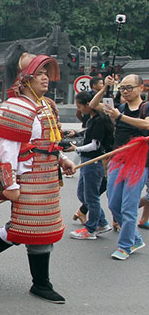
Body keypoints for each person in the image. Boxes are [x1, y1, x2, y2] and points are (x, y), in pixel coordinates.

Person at [0, 46, 76, 303]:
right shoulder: (16, 107)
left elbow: (51, 140)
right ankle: (41, 283)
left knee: (28, 228)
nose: (45, 77)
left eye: (47, 73)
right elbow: (6, 149)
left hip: (48, 178)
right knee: (33, 228)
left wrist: (63, 159)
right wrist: (9, 184)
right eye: (39, 73)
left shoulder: (47, 105)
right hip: (28, 178)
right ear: (26, 78)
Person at [97, 74, 149, 260]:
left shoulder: (145, 107)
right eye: (123, 88)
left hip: (138, 164)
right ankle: (135, 238)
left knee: (129, 206)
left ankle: (125, 245)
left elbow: (147, 124)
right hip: (117, 160)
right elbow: (95, 106)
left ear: (141, 88)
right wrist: (105, 88)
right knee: (113, 202)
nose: (125, 92)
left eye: (129, 88)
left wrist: (121, 117)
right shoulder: (119, 107)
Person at [67, 91, 113, 240]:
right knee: (82, 194)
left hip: (94, 162)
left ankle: (91, 228)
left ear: (89, 105)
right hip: (86, 161)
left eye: (80, 106)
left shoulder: (100, 120)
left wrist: (76, 149)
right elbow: (87, 135)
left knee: (92, 198)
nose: (79, 110)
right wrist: (76, 134)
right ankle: (102, 223)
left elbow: (95, 145)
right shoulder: (91, 119)